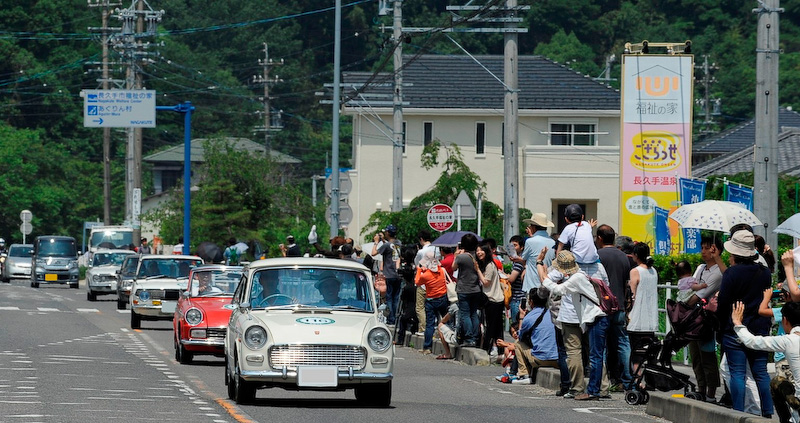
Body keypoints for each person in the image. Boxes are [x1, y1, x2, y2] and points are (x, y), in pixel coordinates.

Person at [538, 249, 609, 401]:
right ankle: (601, 388)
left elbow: (555, 288)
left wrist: (539, 266)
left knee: (576, 353)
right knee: (595, 354)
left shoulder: (575, 277)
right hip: (587, 318)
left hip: (585, 317)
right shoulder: (593, 269)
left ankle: (581, 389)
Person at [716, 230, 774, 417]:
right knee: (761, 373)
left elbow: (723, 302)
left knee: (737, 373)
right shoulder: (764, 272)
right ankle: (767, 413)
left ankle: (738, 413)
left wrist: (720, 326)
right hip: (759, 327)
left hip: (735, 327)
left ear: (735, 253)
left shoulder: (731, 273)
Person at [732, 300, 800, 423]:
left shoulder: (788, 340)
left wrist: (737, 322)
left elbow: (752, 341)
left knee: (776, 382)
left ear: (785, 320)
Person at [686, 234, 725, 403]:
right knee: (695, 353)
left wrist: (683, 306)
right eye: (702, 247)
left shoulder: (718, 272)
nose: (703, 251)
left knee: (707, 354)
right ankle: (700, 388)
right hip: (694, 316)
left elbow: (699, 294)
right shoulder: (701, 268)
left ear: (716, 250)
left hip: (707, 318)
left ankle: (710, 392)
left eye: (707, 247)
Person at [595, 225, 633, 393]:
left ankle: (602, 381)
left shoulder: (597, 255)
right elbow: (626, 284)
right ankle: (628, 380)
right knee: (623, 344)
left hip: (601, 306)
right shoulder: (624, 257)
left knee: (600, 345)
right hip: (620, 306)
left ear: (600, 238)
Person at [512, 288, 559, 385]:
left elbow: (520, 336)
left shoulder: (529, 317)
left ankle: (523, 374)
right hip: (557, 359)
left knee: (518, 343)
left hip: (540, 359)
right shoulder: (554, 313)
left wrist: (521, 316)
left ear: (531, 302)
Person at [626, 242, 659, 372]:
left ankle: (638, 381)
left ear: (635, 255)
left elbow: (631, 295)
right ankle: (651, 380)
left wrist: (627, 311)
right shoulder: (653, 271)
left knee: (636, 354)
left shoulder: (635, 271)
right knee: (649, 353)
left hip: (637, 318)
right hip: (650, 320)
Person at [415, 249, 449, 355]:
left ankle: (427, 347)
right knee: (446, 322)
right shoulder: (442, 270)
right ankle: (449, 341)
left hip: (430, 301)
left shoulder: (426, 275)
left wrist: (419, 270)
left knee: (430, 324)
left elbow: (417, 282)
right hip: (443, 299)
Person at [512, 212, 556, 292]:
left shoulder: (530, 241)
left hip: (531, 285)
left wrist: (515, 258)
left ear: (534, 227)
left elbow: (523, 259)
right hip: (546, 284)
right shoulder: (552, 242)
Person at [454, 233, 484, 348]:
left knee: (465, 314)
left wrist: (456, 254)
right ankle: (475, 338)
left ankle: (469, 338)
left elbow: (453, 267)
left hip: (463, 289)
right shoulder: (478, 256)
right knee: (473, 314)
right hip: (475, 289)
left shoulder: (461, 257)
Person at [477, 244, 505, 358]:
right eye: (477, 251)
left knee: (491, 327)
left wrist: (477, 270)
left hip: (493, 300)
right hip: (497, 299)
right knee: (498, 328)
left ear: (486, 252)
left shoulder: (489, 265)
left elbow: (486, 282)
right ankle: (501, 351)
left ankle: (486, 350)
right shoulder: (490, 264)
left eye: (481, 250)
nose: (479, 252)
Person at [372, 225, 401, 325]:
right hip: (398, 274)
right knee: (396, 297)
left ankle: (391, 319)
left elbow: (373, 253)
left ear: (388, 233)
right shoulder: (399, 243)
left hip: (389, 274)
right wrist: (384, 240)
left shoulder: (386, 246)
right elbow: (391, 248)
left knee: (389, 297)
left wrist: (376, 242)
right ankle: (396, 319)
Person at [395, 247, 419, 346]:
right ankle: (414, 329)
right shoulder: (415, 267)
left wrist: (398, 261)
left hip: (408, 290)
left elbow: (398, 271)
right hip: (415, 288)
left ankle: (400, 339)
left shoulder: (406, 269)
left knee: (402, 318)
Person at [507, 235, 527, 324]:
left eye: (515, 245)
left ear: (522, 247)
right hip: (519, 297)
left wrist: (504, 276)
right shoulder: (519, 261)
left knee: (516, 325)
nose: (513, 248)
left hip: (517, 298)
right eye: (511, 246)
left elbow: (511, 279)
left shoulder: (518, 263)